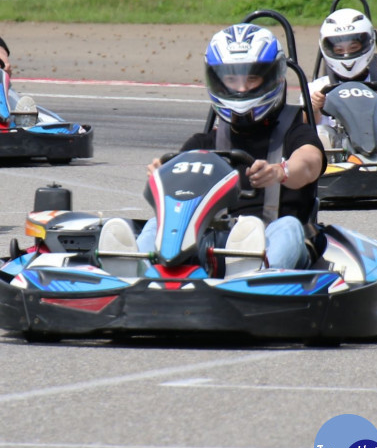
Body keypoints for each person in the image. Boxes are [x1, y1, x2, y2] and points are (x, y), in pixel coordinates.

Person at [119, 23, 325, 271]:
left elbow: (310, 162)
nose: (240, 89)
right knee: (156, 224)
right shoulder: (203, 144)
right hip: (213, 245)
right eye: (231, 79)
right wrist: (162, 178)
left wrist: (281, 171)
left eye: (251, 78)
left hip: (271, 244)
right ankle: (135, 272)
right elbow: (177, 198)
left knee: (289, 227)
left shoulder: (295, 132)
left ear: (273, 77)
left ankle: (256, 278)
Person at [307, 8, 377, 161]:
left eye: (353, 47)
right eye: (339, 49)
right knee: (319, 134)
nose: (346, 53)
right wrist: (313, 107)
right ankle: (323, 174)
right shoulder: (316, 88)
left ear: (367, 43)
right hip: (338, 154)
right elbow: (304, 123)